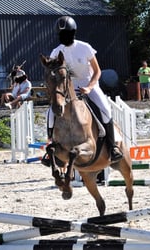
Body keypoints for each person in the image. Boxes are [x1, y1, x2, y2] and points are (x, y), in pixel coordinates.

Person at [46, 16, 123, 163]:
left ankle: (112, 147)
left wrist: (89, 87)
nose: (65, 37)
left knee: (105, 109)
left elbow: (97, 71)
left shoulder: (84, 47)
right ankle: (51, 148)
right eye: (62, 35)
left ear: (73, 33)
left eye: (67, 34)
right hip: (68, 89)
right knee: (50, 112)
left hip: (88, 85)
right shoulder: (56, 52)